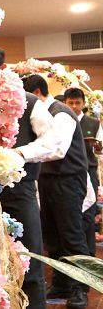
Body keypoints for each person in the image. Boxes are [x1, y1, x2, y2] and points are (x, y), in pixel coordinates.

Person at [0, 46, 57, 309]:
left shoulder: (30, 101)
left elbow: (51, 142)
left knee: (29, 259)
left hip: (21, 190)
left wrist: (19, 154)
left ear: (4, 70)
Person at [23, 75, 91, 309]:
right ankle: (62, 283)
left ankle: (81, 288)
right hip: (47, 179)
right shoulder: (45, 112)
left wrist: (21, 153)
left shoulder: (60, 113)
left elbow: (57, 150)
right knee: (53, 236)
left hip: (67, 179)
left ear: (37, 94)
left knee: (72, 235)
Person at [65, 87, 103, 258]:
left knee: (89, 212)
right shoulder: (61, 120)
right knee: (71, 212)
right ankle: (72, 253)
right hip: (68, 173)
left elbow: (100, 149)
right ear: (65, 103)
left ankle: (89, 254)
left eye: (77, 103)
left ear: (83, 103)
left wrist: (98, 146)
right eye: (70, 103)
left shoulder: (93, 123)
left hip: (89, 170)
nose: (74, 106)